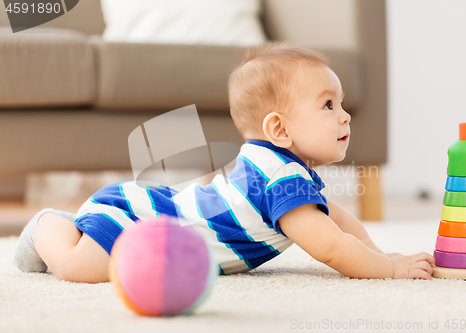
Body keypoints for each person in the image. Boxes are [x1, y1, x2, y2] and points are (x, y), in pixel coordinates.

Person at [13, 41, 435, 283]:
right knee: (76, 269)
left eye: (341, 103)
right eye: (327, 105)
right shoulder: (280, 178)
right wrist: (388, 270)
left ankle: (67, 228)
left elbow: (337, 219)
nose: (344, 115)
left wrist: (382, 253)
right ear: (279, 130)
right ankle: (49, 226)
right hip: (146, 225)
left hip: (164, 216)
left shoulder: (277, 164)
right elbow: (331, 246)